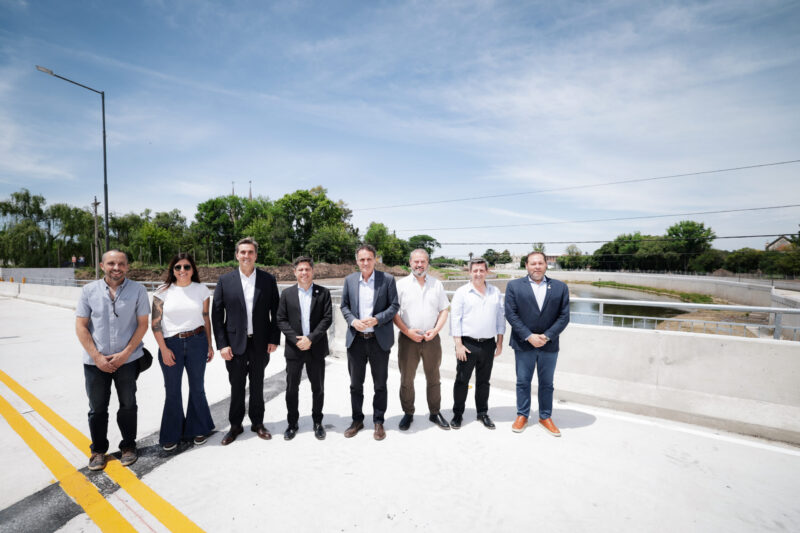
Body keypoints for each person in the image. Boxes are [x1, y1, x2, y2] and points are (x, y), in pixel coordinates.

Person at [75, 250, 149, 471]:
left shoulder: (138, 290)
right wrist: (97, 357)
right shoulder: (88, 291)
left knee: (128, 405)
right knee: (97, 408)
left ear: (127, 266)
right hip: (95, 363)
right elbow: (81, 326)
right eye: (111, 263)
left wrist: (125, 353)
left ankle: (128, 446)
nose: (116, 267)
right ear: (102, 265)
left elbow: (143, 324)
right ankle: (98, 450)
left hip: (127, 360)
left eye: (121, 263)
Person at [211, 237, 280, 445]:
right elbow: (216, 314)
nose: (246, 256)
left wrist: (274, 339)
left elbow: (275, 312)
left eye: (250, 252)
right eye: (243, 252)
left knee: (258, 384)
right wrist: (222, 344)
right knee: (237, 386)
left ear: (256, 255)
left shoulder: (268, 280)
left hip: (260, 343)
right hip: (234, 344)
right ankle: (235, 425)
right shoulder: (225, 281)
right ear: (237, 255)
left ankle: (258, 423)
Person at [151, 253, 215, 451]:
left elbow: (206, 318)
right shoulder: (162, 292)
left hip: (197, 342)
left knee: (197, 387)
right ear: (172, 270)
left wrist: (210, 345)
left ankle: (197, 428)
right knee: (172, 390)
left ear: (193, 269)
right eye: (178, 267)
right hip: (172, 345)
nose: (182, 271)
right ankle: (172, 433)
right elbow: (155, 323)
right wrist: (163, 349)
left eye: (187, 267)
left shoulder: (201, 290)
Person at [505, 251, 570, 436]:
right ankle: (522, 415)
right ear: (526, 265)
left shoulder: (559, 287)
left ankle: (545, 416)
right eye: (533, 263)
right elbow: (511, 314)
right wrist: (529, 336)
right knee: (523, 382)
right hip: (523, 343)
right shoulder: (514, 286)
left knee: (547, 383)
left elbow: (564, 316)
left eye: (540, 263)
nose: (537, 267)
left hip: (549, 345)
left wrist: (547, 336)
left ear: (546, 265)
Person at [340, 244, 399, 440]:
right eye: (362, 259)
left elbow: (394, 305)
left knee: (380, 384)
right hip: (356, 340)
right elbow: (344, 306)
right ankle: (357, 420)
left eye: (369, 259)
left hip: (378, 340)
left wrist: (378, 319)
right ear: (357, 261)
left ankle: (379, 422)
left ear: (375, 260)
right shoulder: (349, 280)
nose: (365, 263)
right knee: (356, 384)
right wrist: (352, 321)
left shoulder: (387, 280)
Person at [393, 249, 450, 431]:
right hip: (408, 339)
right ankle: (408, 413)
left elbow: (444, 310)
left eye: (423, 262)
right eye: (416, 262)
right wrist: (407, 331)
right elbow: (393, 312)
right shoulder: (400, 285)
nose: (419, 265)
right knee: (407, 379)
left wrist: (436, 330)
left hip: (431, 339)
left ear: (427, 263)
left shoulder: (437, 285)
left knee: (434, 378)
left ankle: (435, 412)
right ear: (410, 263)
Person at [276, 256, 333, 441]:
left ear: (312, 271)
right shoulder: (287, 294)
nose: (304, 273)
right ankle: (292, 423)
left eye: (307, 269)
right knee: (292, 388)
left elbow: (327, 319)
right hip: (294, 349)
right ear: (294, 272)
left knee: (318, 388)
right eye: (300, 270)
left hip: (316, 348)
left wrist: (311, 339)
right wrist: (296, 339)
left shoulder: (323, 293)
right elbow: (281, 319)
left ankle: (318, 422)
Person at [449, 258, 505, 430]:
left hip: (488, 344)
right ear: (470, 272)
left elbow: (500, 319)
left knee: (484, 381)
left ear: (487, 272)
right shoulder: (461, 292)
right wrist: (458, 345)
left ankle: (482, 413)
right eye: (475, 271)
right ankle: (458, 414)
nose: (478, 274)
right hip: (467, 344)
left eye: (482, 270)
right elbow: (455, 319)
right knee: (462, 381)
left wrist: (499, 342)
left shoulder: (495, 292)